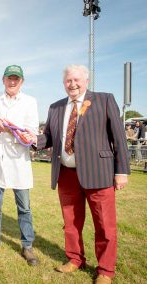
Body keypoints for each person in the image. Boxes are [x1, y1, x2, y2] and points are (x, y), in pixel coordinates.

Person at [26, 64, 130, 284]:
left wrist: (121, 171)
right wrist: (34, 139)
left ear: (86, 81)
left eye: (76, 80)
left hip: (99, 173)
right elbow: (49, 137)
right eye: (68, 81)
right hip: (66, 174)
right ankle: (74, 259)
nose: (72, 84)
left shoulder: (104, 99)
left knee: (104, 225)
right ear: (64, 83)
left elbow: (119, 137)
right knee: (71, 222)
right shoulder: (55, 108)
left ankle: (105, 270)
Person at [0, 64, 39, 266]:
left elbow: (31, 133)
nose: (12, 82)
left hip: (19, 161)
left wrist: (8, 128)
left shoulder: (30, 102)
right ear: (3, 80)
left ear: (21, 82)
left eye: (16, 79)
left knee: (24, 208)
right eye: (9, 78)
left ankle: (27, 246)